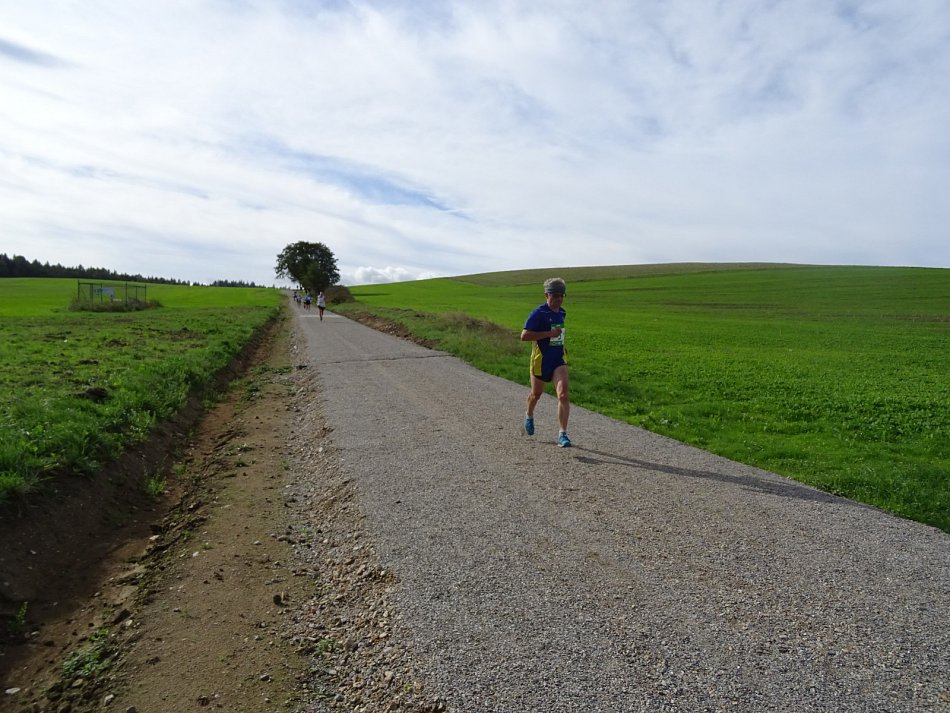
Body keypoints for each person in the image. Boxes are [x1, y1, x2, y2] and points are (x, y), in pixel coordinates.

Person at [520, 277, 571, 447]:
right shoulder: (538, 313)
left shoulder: (562, 313)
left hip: (558, 360)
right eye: (555, 295)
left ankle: (562, 434)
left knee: (563, 395)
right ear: (546, 295)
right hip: (540, 361)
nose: (559, 299)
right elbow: (524, 336)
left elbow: (558, 335)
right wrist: (549, 334)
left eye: (562, 295)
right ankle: (529, 415)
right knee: (536, 394)